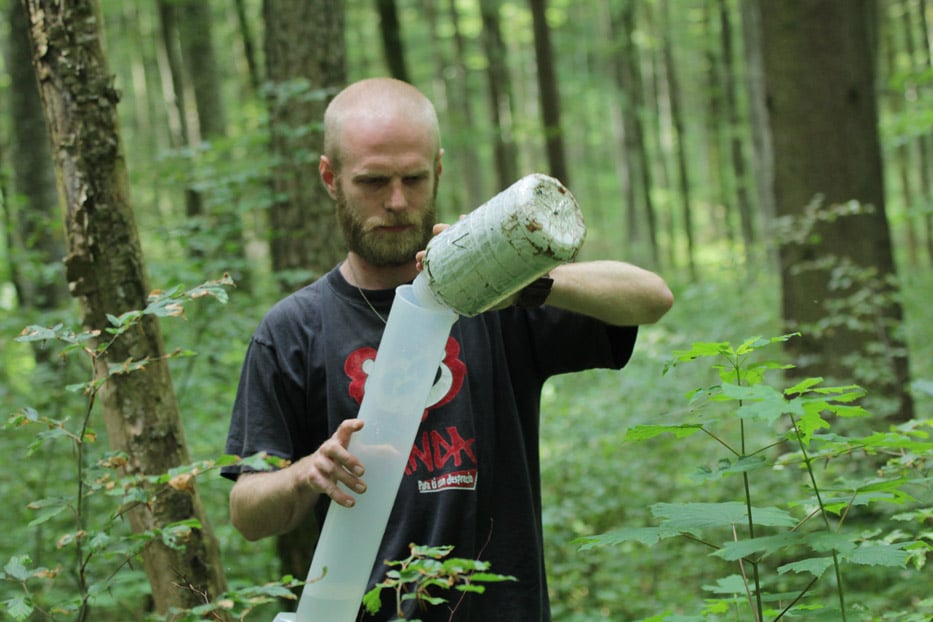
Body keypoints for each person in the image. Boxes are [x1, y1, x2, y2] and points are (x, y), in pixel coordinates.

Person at [222, 77, 674, 621]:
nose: (396, 201)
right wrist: (305, 473)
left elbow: (652, 298)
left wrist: (527, 280)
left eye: (413, 179)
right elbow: (247, 512)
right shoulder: (293, 330)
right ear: (330, 178)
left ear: (437, 169)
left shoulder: (498, 302)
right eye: (372, 181)